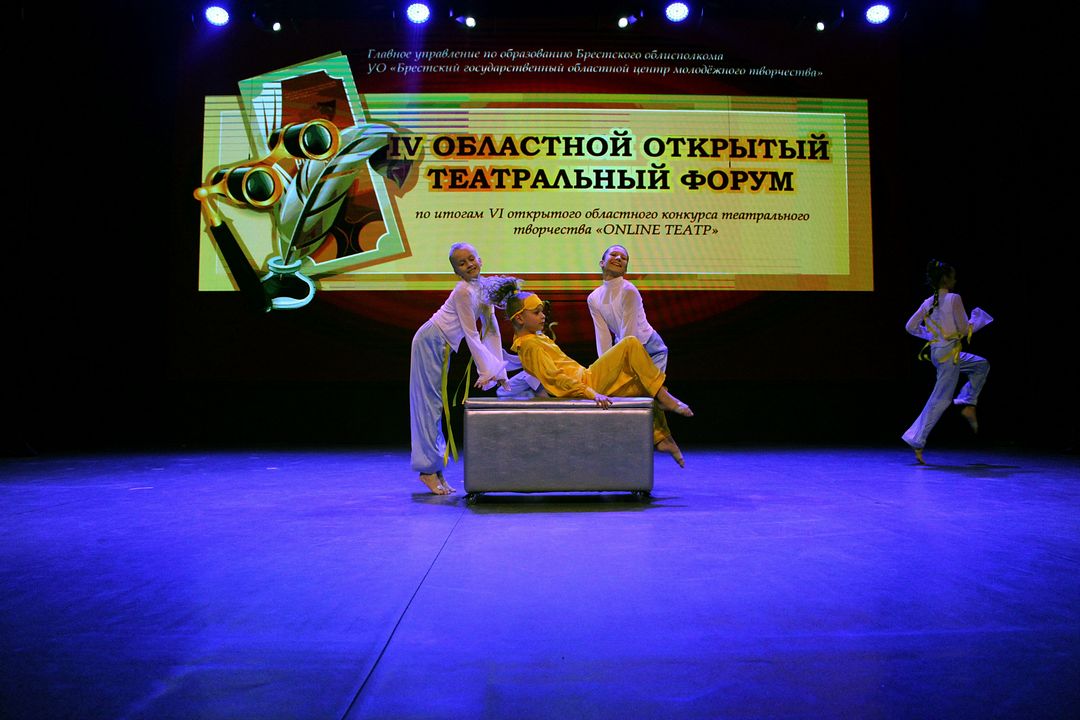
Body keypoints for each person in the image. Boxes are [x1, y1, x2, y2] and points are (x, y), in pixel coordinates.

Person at [490, 280, 693, 467]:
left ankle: (663, 438)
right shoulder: (529, 346)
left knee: (643, 387)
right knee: (630, 344)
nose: (543, 316)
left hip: (587, 378)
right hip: (587, 383)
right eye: (536, 312)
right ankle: (665, 398)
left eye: (542, 311)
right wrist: (591, 393)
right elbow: (555, 378)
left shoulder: (533, 339)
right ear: (520, 318)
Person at [410, 243, 508, 494]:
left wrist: (498, 372)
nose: (469, 265)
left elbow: (491, 330)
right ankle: (428, 470)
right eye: (462, 263)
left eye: (471, 259)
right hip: (430, 340)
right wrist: (486, 371)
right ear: (456, 271)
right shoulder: (463, 290)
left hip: (441, 345)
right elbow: (471, 334)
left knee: (435, 404)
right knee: (429, 404)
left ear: (480, 260)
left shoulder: (483, 288)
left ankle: (434, 469)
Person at [902, 260, 992, 464]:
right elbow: (963, 330)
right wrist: (978, 320)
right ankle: (917, 439)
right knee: (941, 398)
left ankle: (968, 401)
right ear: (946, 279)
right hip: (948, 353)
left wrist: (932, 336)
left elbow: (910, 327)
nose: (955, 280)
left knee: (981, 364)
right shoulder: (953, 298)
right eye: (953, 277)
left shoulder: (928, 302)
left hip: (941, 352)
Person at [587, 245, 668, 371]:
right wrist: (604, 366)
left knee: (648, 385)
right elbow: (602, 336)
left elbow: (629, 334)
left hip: (650, 350)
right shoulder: (593, 298)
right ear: (602, 263)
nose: (618, 258)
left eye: (623, 258)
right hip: (624, 346)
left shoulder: (629, 291)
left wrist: (614, 367)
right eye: (614, 255)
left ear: (625, 270)